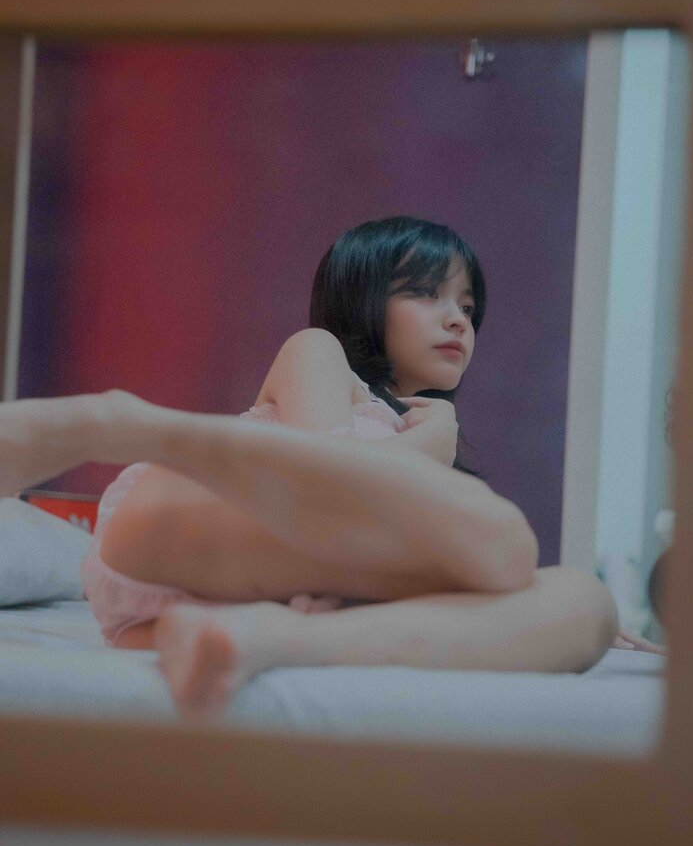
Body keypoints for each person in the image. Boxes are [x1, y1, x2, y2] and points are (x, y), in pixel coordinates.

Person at [1, 216, 625, 720]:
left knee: (586, 605)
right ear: (362, 297)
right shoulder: (320, 354)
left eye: (467, 304)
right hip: (183, 518)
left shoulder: (426, 447)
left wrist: (508, 605)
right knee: (505, 540)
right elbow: (320, 486)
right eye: (426, 292)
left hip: (224, 601)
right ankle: (121, 423)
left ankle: (267, 639)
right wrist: (429, 451)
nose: (458, 317)